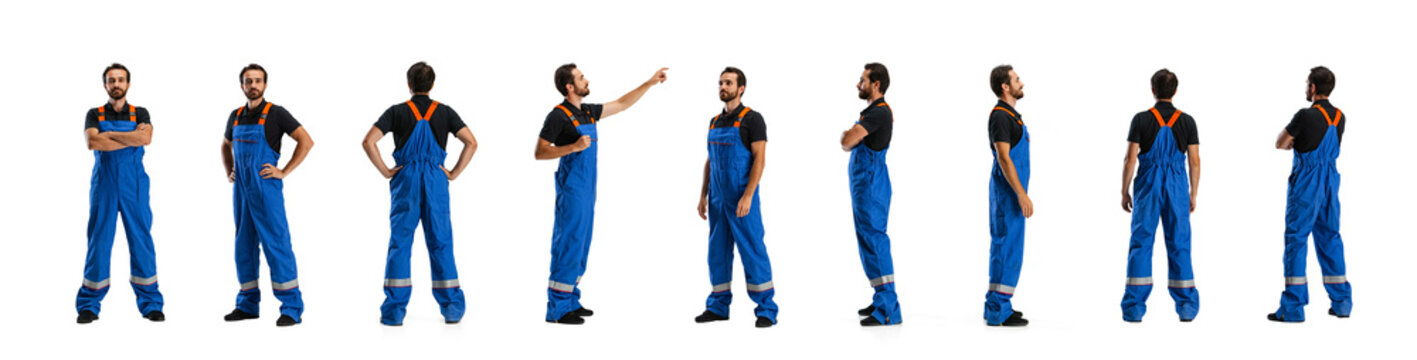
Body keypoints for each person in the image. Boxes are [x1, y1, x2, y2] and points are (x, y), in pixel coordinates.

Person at [536, 64, 668, 324]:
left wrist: (649, 83)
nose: (587, 80)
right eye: (581, 77)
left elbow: (621, 103)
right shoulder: (558, 116)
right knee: (568, 243)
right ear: (569, 87)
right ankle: (557, 308)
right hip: (572, 189)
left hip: (587, 189)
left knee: (581, 244)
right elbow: (540, 151)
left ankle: (570, 298)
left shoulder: (587, 111)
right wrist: (573, 146)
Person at [362, 62, 477, 326]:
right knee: (441, 241)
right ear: (432, 85)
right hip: (436, 179)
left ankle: (393, 312)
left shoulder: (397, 111)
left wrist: (386, 171)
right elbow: (472, 142)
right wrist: (454, 172)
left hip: (406, 180)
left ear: (408, 84)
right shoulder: (445, 112)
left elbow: (368, 141)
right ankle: (451, 308)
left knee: (400, 242)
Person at [220, 64, 314, 327]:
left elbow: (306, 141)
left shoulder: (276, 114)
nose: (253, 85)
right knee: (243, 245)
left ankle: (292, 307)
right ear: (242, 86)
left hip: (266, 187)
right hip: (241, 191)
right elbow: (225, 145)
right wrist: (230, 171)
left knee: (277, 244)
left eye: (258, 81)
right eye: (248, 81)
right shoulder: (235, 116)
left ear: (265, 85)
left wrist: (284, 171)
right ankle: (248, 305)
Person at [76, 63, 164, 324]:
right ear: (105, 85)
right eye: (111, 80)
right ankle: (89, 304)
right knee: (99, 241)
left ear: (128, 84)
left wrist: (110, 134)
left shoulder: (141, 112)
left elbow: (145, 140)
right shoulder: (94, 113)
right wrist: (128, 136)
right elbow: (93, 142)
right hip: (104, 184)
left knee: (141, 240)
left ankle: (151, 303)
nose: (116, 84)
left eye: (120, 80)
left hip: (134, 185)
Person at [693, 67, 779, 328]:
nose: (723, 86)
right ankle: (718, 306)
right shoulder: (714, 121)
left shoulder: (753, 119)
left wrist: (748, 195)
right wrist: (702, 195)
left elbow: (760, 160)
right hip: (717, 199)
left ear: (741, 88)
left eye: (728, 83)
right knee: (717, 253)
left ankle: (766, 309)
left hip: (742, 199)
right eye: (721, 82)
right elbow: (709, 160)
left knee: (753, 251)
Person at [1268, 66, 1352, 322]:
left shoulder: (1304, 116)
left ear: (1313, 88)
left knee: (1297, 239)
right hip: (1330, 181)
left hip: (1307, 182)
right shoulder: (1340, 117)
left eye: (1307, 84)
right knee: (1330, 237)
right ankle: (1342, 303)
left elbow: (1281, 143)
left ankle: (1292, 308)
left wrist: (1296, 141)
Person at [1118, 69, 1202, 322]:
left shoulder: (1141, 120)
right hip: (1177, 185)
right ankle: (1186, 306)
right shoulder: (1187, 121)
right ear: (1175, 91)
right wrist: (1193, 194)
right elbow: (1195, 162)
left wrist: (1124, 191)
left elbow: (1130, 158)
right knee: (1179, 242)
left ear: (1152, 90)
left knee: (1141, 242)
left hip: (1148, 185)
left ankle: (1134, 308)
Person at [839, 63, 901, 326]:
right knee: (867, 240)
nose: (857, 84)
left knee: (875, 240)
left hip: (871, 184)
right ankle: (880, 298)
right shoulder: (871, 114)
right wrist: (851, 136)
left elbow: (846, 141)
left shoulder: (879, 113)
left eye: (862, 80)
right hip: (865, 184)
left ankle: (889, 307)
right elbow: (850, 139)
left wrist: (849, 134)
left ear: (876, 84)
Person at [983, 64, 1032, 327]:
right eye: (1016, 79)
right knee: (1006, 246)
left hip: (1011, 192)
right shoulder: (1001, 116)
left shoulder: (1012, 116)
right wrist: (1021, 194)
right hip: (1008, 193)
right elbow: (1004, 158)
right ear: (1005, 86)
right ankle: (998, 309)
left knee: (1009, 246)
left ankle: (997, 303)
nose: (1021, 83)